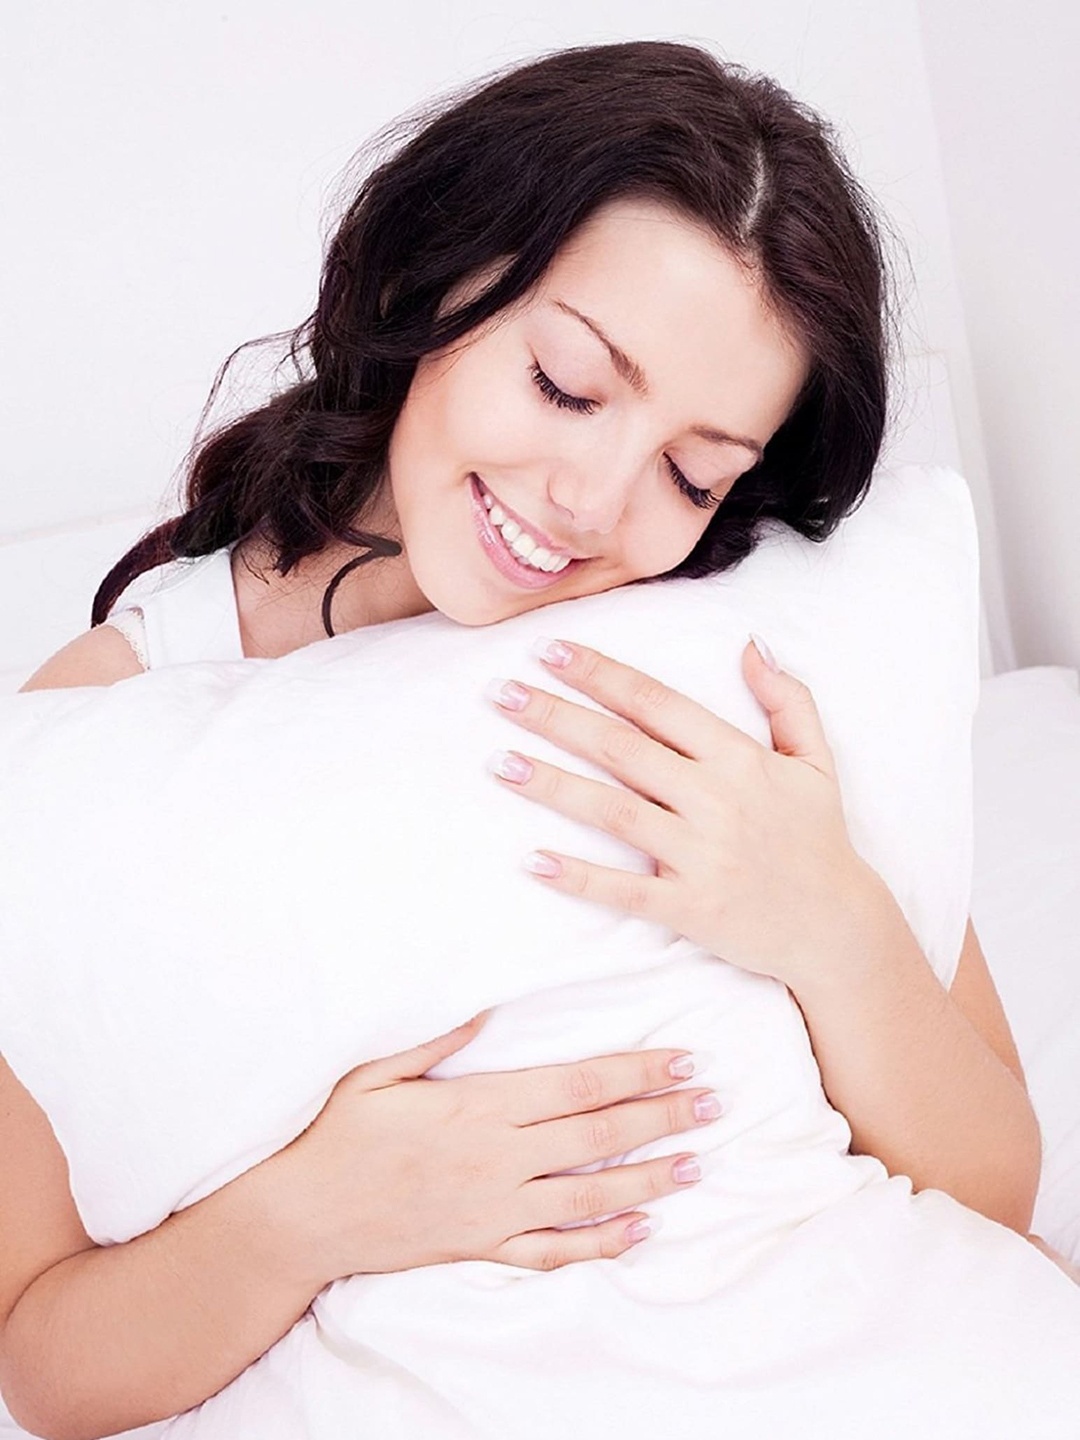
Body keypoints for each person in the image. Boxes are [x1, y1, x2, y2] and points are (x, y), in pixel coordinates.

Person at [2, 37, 1076, 1440]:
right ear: (430, 283)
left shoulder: (733, 629)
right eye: (569, 384)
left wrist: (829, 919)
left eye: (694, 471)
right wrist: (315, 1209)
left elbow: (996, 1185)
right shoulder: (98, 736)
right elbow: (44, 1357)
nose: (590, 502)